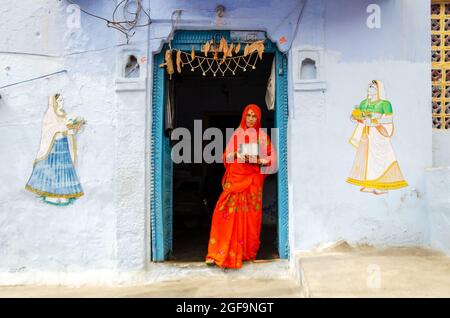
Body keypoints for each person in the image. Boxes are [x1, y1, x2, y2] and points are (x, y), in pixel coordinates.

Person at [205, 104, 277, 268]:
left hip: (253, 184)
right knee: (222, 213)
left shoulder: (262, 137)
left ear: (258, 119)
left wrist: (259, 160)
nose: (251, 119)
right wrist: (237, 154)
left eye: (254, 116)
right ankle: (217, 253)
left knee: (250, 219)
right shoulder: (237, 135)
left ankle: (246, 253)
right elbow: (226, 157)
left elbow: (272, 159)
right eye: (248, 115)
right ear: (244, 116)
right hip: (236, 181)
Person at [347, 80, 408, 195]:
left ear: (379, 89)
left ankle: (380, 186)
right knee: (367, 158)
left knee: (380, 158)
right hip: (366, 133)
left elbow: (389, 119)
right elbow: (355, 116)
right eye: (369, 86)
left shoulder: (385, 104)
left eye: (373, 86)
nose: (370, 88)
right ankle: (369, 184)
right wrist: (356, 117)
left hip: (379, 133)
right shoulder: (364, 102)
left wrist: (375, 121)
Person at [25, 94, 85, 205]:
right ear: (54, 102)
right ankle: (51, 195)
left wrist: (75, 128)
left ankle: (63, 195)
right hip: (53, 149)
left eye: (62, 100)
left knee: (63, 171)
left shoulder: (64, 115)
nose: (62, 102)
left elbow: (67, 128)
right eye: (60, 100)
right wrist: (65, 131)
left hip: (64, 147)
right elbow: (50, 132)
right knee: (53, 170)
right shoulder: (50, 115)